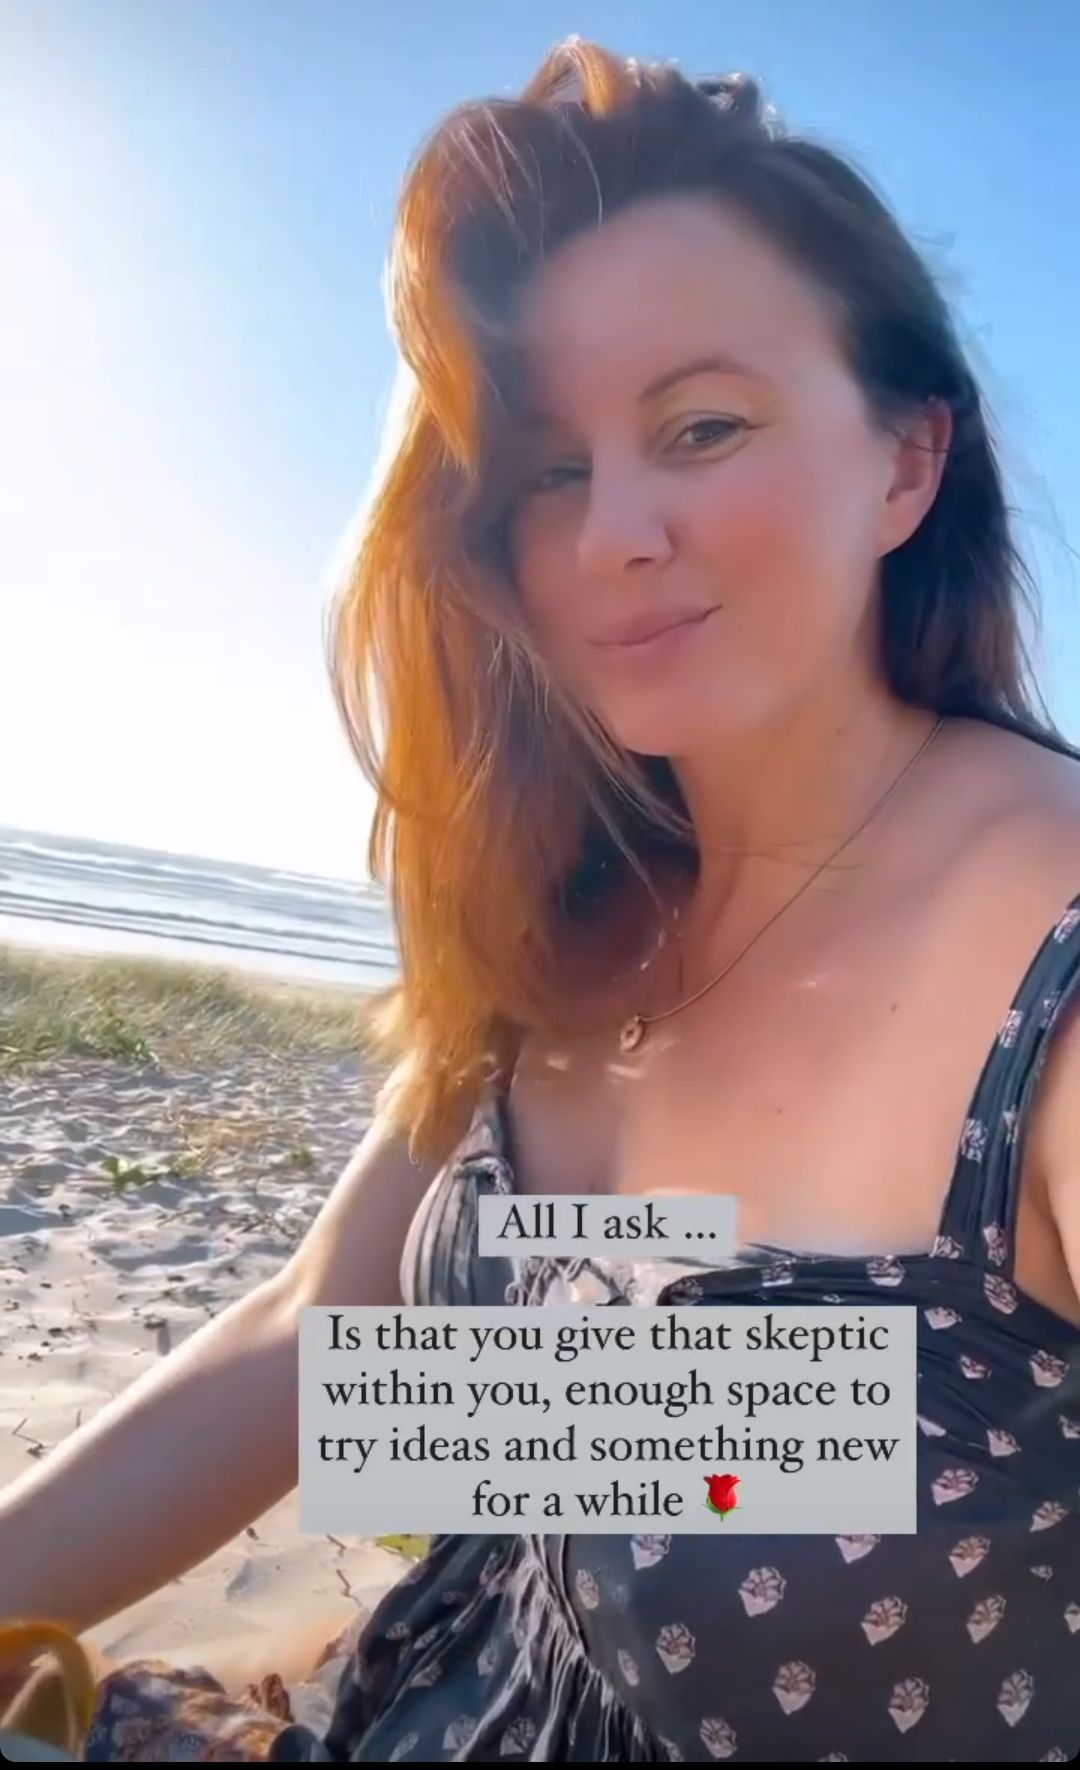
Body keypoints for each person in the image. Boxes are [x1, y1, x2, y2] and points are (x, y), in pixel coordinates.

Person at [2, 36, 1078, 1763]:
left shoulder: (1047, 971)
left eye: (702, 426)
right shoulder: (578, 897)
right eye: (549, 471)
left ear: (906, 459)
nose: (611, 535)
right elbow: (331, 1352)